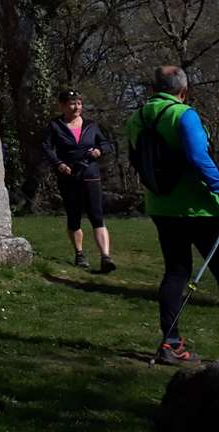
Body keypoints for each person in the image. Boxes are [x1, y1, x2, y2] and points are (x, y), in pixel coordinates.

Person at [126, 66, 219, 366]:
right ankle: (172, 345)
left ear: (153, 89)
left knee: (176, 272)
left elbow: (135, 159)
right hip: (198, 207)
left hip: (161, 206)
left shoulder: (137, 118)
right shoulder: (183, 114)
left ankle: (171, 343)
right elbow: (197, 157)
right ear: (183, 90)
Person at [41, 88, 115, 271]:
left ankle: (106, 257)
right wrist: (59, 164)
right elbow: (46, 148)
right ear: (62, 106)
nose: (76, 107)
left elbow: (106, 143)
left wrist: (99, 151)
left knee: (97, 216)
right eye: (72, 104)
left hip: (90, 175)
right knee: (74, 217)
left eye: (79, 103)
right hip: (69, 177)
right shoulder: (55, 126)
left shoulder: (91, 125)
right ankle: (80, 254)